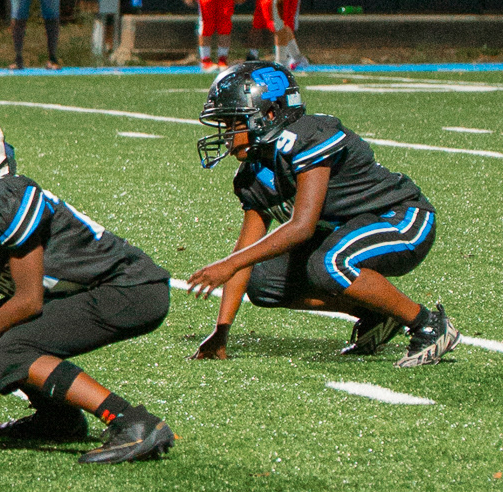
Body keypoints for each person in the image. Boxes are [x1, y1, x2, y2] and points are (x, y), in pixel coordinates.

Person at [0, 102, 175, 460]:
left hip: (130, 288)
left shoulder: (5, 198)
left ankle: (131, 421)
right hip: (90, 291)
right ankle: (58, 419)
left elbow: (28, 301)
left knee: (10, 348)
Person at [188, 62, 457, 367]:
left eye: (233, 123)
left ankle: (427, 324)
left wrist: (229, 264)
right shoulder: (253, 174)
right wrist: (221, 331)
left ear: (270, 114)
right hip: (349, 232)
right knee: (263, 282)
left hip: (402, 219)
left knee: (329, 263)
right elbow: (245, 252)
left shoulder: (307, 137)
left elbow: (302, 227)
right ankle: (379, 314)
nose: (227, 135)